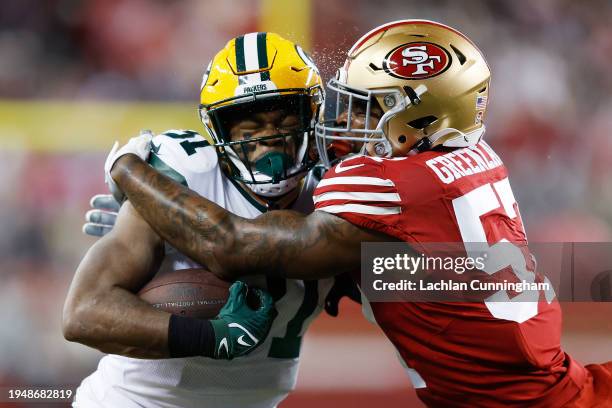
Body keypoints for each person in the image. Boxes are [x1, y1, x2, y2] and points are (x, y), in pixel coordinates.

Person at [105, 20, 612, 407]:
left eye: (368, 108)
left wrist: (130, 171)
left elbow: (232, 246)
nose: (345, 122)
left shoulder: (389, 185)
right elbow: (423, 268)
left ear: (420, 117)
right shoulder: (472, 158)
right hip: (564, 384)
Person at [63, 32, 347, 408]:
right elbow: (83, 313)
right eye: (248, 128)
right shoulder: (184, 174)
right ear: (218, 129)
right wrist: (207, 336)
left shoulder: (338, 193)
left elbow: (416, 280)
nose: (267, 140)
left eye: (282, 121)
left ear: (311, 117)